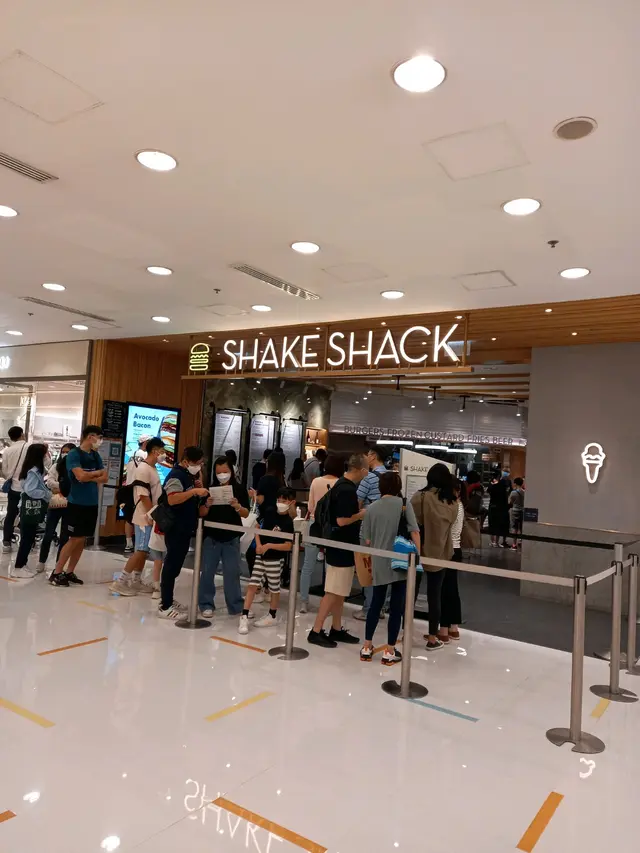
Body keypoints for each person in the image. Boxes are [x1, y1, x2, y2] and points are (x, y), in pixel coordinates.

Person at [307, 453, 367, 648]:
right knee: (333, 591)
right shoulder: (347, 489)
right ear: (360, 469)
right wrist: (360, 515)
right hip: (341, 546)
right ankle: (316, 631)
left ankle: (336, 628)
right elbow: (342, 521)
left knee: (340, 591)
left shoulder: (340, 485)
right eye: (366, 469)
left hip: (339, 545)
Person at [359, 472, 420, 665]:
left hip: (378, 561)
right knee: (396, 607)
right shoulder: (404, 505)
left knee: (376, 603)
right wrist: (417, 556)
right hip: (400, 561)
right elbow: (414, 531)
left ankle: (367, 646)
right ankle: (390, 650)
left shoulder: (372, 508)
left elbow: (366, 540)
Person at [50, 425, 108, 587]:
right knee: (74, 538)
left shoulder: (95, 455)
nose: (100, 441)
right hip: (76, 503)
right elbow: (80, 476)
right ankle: (57, 572)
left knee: (82, 539)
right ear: (90, 436)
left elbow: (104, 477)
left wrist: (89, 476)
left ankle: (70, 571)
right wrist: (93, 475)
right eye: (99, 437)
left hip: (92, 503)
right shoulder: (74, 454)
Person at [109, 438, 166, 596]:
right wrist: (152, 514)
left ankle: (136, 579)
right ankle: (120, 581)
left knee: (144, 550)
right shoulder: (143, 469)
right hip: (143, 517)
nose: (164, 455)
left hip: (149, 516)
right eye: (162, 451)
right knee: (140, 550)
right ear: (154, 451)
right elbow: (143, 495)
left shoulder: (152, 468)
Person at [411, 463, 458, 650]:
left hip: (417, 552)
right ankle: (432, 637)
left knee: (411, 593)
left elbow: (411, 523)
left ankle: (406, 632)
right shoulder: (452, 503)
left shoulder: (419, 497)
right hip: (440, 554)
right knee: (435, 596)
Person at [158, 446, 209, 619]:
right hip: (175, 527)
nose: (199, 466)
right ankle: (165, 605)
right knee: (171, 565)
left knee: (176, 565)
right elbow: (173, 499)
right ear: (186, 462)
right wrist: (193, 491)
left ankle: (168, 599)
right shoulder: (176, 475)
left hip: (185, 527)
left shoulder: (187, 476)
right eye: (197, 463)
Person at [238, 486, 296, 634]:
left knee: (274, 587)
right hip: (261, 556)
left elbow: (288, 545)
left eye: (284, 500)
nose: (281, 503)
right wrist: (259, 544)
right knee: (252, 584)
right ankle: (244, 615)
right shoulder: (270, 512)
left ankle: (272, 614)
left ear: (291, 502)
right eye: (279, 499)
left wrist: (269, 546)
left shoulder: (288, 522)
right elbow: (257, 527)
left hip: (275, 559)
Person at [198, 455, 250, 618]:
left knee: (232, 573)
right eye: (219, 472)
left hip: (232, 537)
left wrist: (237, 506)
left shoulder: (239, 489)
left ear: (231, 471)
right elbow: (201, 512)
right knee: (207, 572)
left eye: (225, 471)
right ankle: (206, 604)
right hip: (211, 537)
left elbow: (246, 513)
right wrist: (207, 504)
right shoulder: (209, 489)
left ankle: (235, 605)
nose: (222, 475)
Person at [299, 453, 344, 613]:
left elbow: (311, 507)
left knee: (307, 566)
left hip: (314, 524)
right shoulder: (340, 483)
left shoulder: (316, 482)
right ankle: (328, 604)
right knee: (331, 568)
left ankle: (304, 602)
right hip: (332, 527)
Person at [353, 445, 387, 622]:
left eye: (367, 454)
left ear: (373, 456)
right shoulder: (391, 477)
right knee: (382, 570)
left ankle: (368, 609)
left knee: (367, 570)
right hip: (385, 530)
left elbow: (357, 503)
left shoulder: (369, 478)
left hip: (368, 529)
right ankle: (380, 608)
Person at [12, 444, 51, 577]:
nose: (47, 456)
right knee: (27, 539)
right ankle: (19, 567)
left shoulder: (29, 469)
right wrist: (46, 494)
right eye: (45, 454)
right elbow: (31, 491)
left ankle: (22, 564)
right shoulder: (34, 471)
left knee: (28, 537)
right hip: (30, 508)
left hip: (27, 508)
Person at [36, 442, 75, 573]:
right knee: (48, 534)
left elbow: (75, 485)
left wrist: (59, 486)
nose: (65, 454)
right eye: (64, 452)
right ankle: (42, 561)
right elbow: (50, 482)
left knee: (64, 537)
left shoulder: (76, 468)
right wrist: (64, 487)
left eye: (68, 452)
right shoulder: (56, 466)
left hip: (70, 505)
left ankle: (59, 564)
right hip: (55, 504)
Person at [439, 478, 465, 644]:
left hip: (447, 550)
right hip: (456, 549)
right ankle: (453, 628)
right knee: (452, 589)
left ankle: (443, 630)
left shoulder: (451, 506)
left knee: (444, 590)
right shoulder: (460, 505)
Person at [122, 435, 152, 553]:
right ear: (145, 443)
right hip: (138, 489)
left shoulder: (132, 455)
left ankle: (128, 543)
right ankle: (141, 544)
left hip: (128, 488)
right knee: (140, 515)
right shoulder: (144, 455)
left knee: (129, 517)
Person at [2, 425, 28, 553]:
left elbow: (5, 471)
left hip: (13, 488)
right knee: (26, 515)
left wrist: (12, 477)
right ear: (22, 434)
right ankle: (26, 542)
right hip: (28, 488)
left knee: (11, 514)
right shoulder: (29, 447)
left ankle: (6, 542)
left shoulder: (7, 451)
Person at [488, 471, 510, 547]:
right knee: (498, 525)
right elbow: (505, 498)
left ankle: (492, 542)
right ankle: (497, 542)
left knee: (492, 524)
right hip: (500, 508)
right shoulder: (503, 486)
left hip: (492, 506)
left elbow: (489, 492)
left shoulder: (492, 486)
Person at [509, 477, 525, 549]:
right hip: (522, 511)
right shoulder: (524, 492)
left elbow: (510, 502)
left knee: (514, 528)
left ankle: (514, 544)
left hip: (515, 511)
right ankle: (521, 541)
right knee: (521, 528)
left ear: (515, 483)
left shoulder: (513, 492)